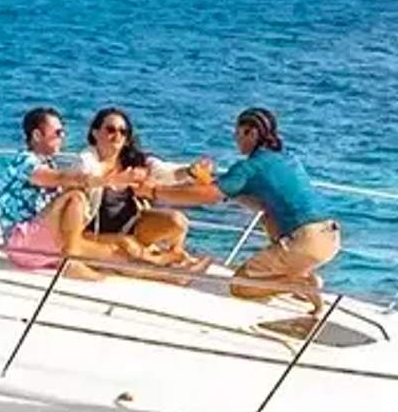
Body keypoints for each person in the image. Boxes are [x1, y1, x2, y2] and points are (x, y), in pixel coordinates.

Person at [162, 106, 341, 302]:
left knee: (240, 286)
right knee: (268, 217)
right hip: (330, 238)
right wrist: (208, 180)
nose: (236, 139)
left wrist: (155, 191)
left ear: (252, 133)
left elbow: (210, 196)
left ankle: (300, 283)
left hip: (305, 241)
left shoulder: (251, 167)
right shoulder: (288, 158)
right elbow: (241, 195)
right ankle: (297, 279)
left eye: (238, 133)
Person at [81, 107, 194, 265]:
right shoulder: (88, 161)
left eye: (123, 132)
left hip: (131, 228)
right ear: (95, 133)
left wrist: (190, 171)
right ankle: (165, 265)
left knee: (178, 221)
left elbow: (165, 172)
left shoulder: (133, 162)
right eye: (110, 130)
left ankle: (175, 255)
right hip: (95, 234)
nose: (117, 136)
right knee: (129, 245)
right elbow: (83, 174)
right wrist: (116, 179)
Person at [0, 106, 89, 270]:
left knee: (121, 247)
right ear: (37, 135)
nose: (63, 137)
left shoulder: (49, 163)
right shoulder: (24, 161)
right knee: (74, 196)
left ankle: (70, 257)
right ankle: (69, 263)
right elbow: (59, 178)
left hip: (43, 238)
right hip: (22, 244)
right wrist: (107, 179)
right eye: (58, 133)